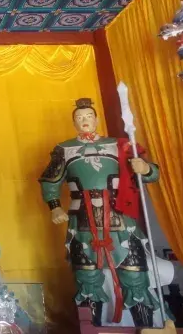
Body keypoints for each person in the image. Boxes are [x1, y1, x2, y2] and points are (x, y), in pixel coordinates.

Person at [40, 98, 160, 327]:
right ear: (74, 122)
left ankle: (145, 328)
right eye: (79, 117)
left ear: (97, 119)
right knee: (87, 280)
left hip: (121, 218)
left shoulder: (119, 145)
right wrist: (55, 206)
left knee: (135, 275)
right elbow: (49, 181)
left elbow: (152, 175)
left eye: (88, 116)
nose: (84, 120)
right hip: (81, 222)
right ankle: (91, 328)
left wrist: (145, 168)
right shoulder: (63, 149)